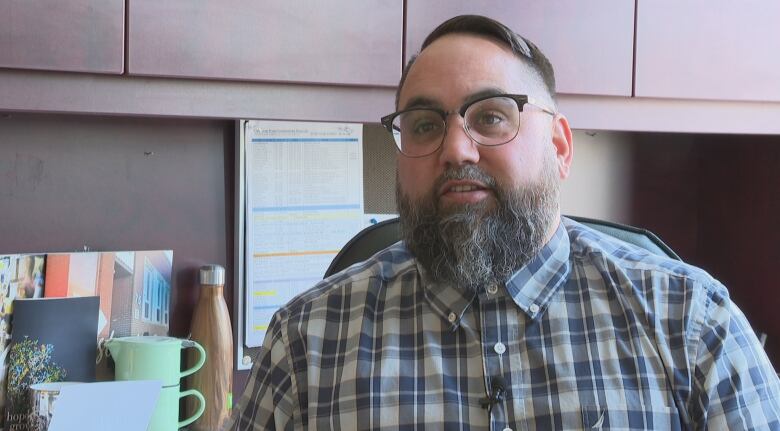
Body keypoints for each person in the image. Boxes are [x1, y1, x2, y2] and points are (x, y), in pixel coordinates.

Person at [227, 15, 780, 430]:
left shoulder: (691, 323)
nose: (455, 149)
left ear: (560, 146)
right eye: (423, 125)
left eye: (491, 116)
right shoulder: (307, 341)